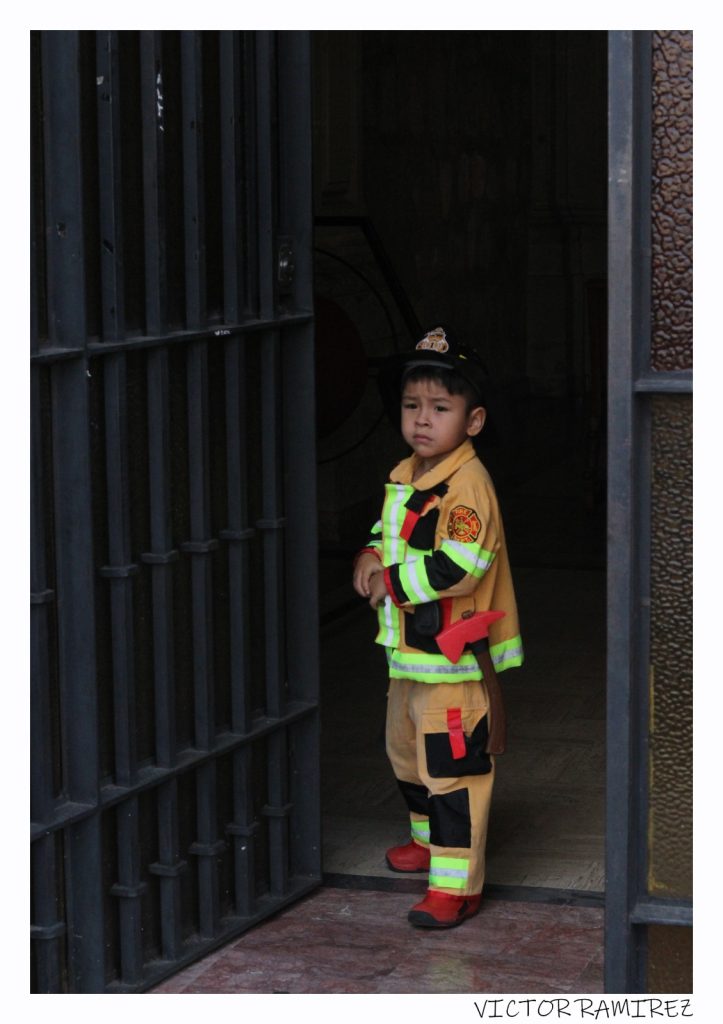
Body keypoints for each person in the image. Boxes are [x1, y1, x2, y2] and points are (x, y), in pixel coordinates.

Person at [352, 326, 523, 928]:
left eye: (440, 408)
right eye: (411, 405)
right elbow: (391, 531)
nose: (422, 419)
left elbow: (459, 565)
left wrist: (390, 580)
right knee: (406, 756)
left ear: (473, 421)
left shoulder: (468, 486)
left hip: (452, 661)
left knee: (452, 773)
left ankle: (457, 885)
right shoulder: (408, 472)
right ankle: (427, 844)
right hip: (411, 658)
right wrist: (370, 554)